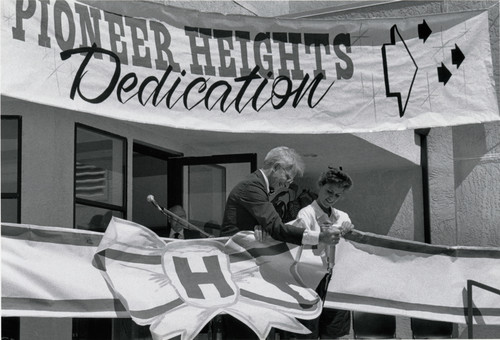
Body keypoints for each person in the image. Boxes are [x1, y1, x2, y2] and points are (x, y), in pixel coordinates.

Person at [220, 146, 343, 339]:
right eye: (288, 178)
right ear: (277, 167)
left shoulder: (258, 187)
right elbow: (277, 228)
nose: (287, 185)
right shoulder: (253, 187)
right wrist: (320, 237)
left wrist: (258, 227)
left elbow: (269, 226)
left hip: (249, 275)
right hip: (240, 273)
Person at [281, 166, 354, 339]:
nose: (331, 198)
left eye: (337, 195)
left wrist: (349, 232)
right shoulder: (306, 214)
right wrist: (321, 237)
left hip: (335, 280)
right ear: (320, 186)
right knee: (307, 332)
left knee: (333, 332)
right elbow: (296, 242)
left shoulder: (343, 217)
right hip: (309, 281)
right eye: (329, 191)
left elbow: (348, 248)